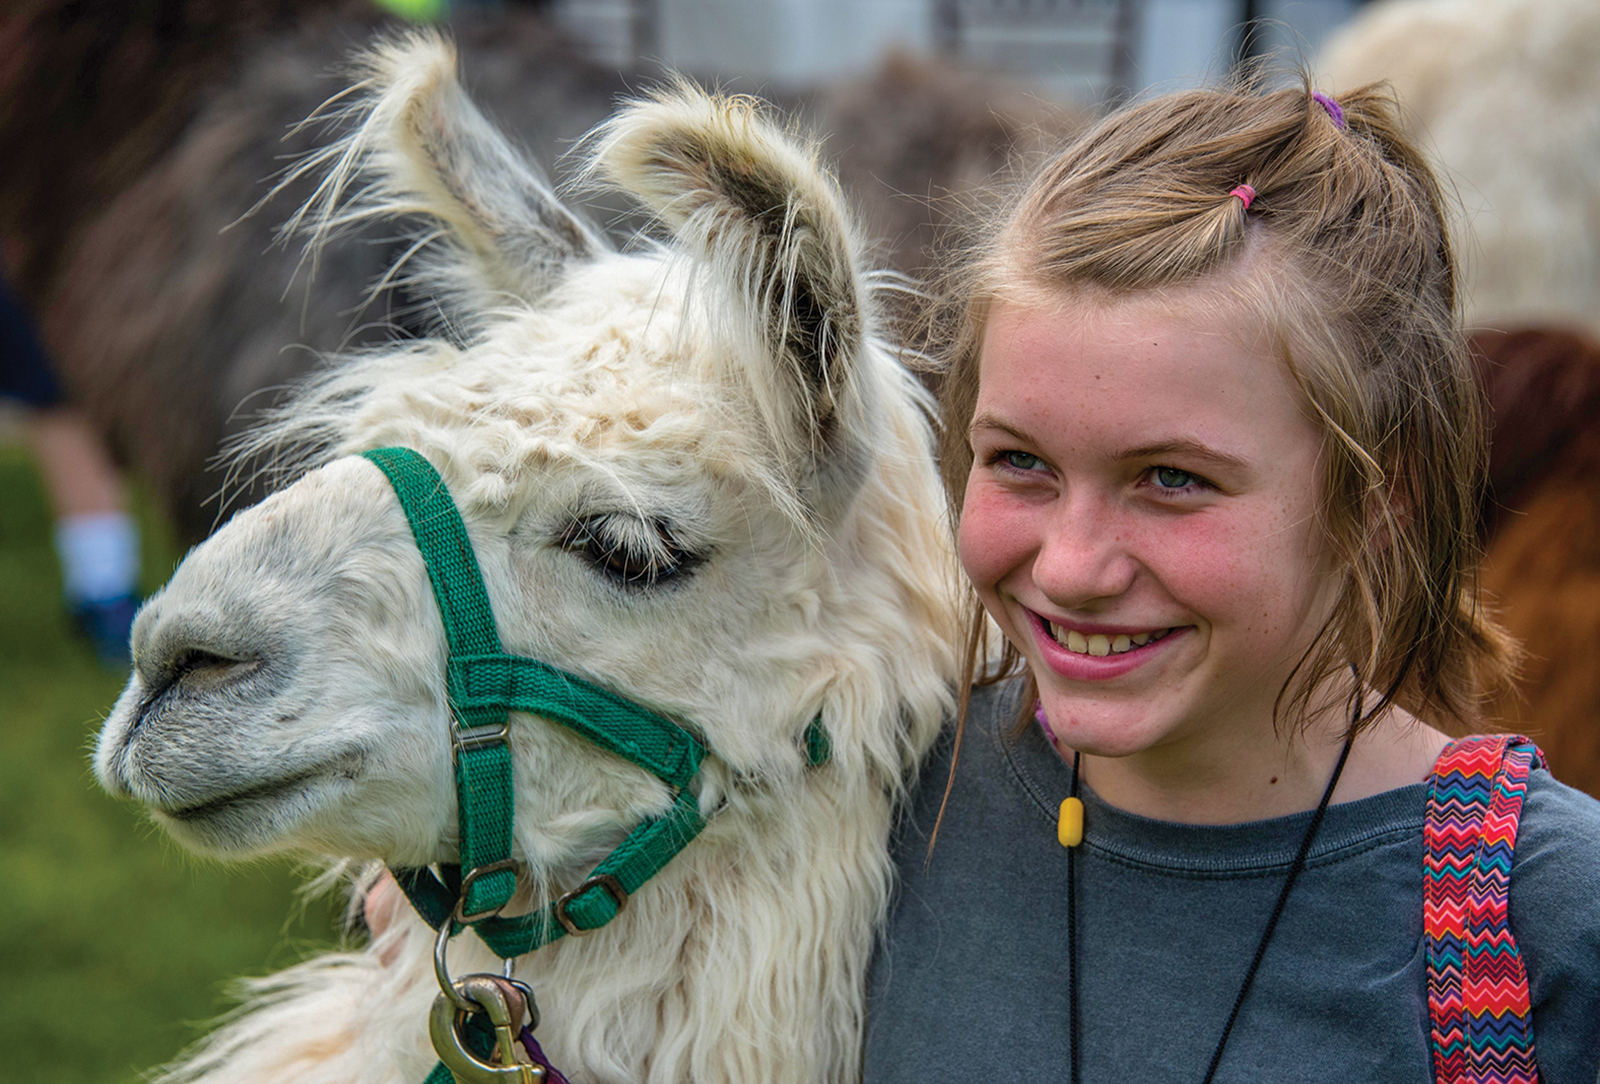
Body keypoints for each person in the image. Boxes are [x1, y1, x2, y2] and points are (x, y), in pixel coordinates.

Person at [862, 78, 1600, 1082]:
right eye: (1020, 462)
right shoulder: (883, 805)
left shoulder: (1548, 921)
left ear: (1379, 499)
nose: (1072, 566)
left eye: (1171, 478)